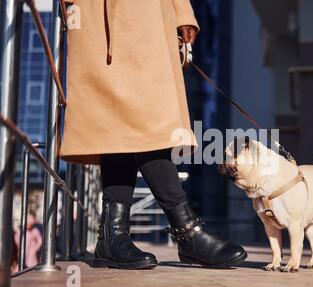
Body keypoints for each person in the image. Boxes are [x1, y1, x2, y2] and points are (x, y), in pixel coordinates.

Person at [59, 0, 247, 269]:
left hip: (150, 21)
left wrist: (182, 12)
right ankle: (183, 230)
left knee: (143, 120)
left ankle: (115, 238)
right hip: (98, 19)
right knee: (121, 120)